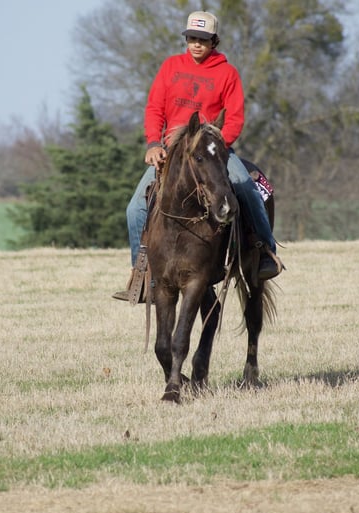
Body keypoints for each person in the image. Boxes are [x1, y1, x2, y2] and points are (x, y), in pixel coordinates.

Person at [114, 10, 282, 301]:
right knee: (135, 209)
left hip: (213, 151)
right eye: (192, 38)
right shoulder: (171, 67)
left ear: (214, 41)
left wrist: (215, 146)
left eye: (203, 39)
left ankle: (265, 251)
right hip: (173, 153)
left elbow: (235, 118)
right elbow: (155, 108)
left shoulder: (227, 73)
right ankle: (142, 276)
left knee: (245, 187)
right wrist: (153, 143)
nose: (196, 44)